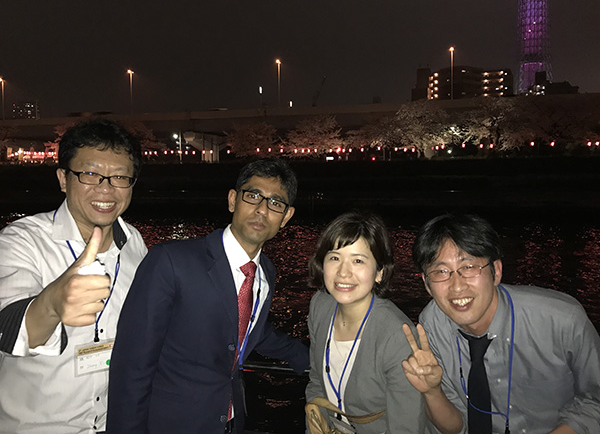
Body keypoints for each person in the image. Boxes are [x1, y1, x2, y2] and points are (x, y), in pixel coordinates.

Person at [107, 158, 309, 434]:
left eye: (275, 203)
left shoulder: (265, 272)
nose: (262, 209)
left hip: (230, 421)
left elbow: (247, 326)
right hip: (171, 424)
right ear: (232, 200)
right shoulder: (171, 261)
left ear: (286, 217)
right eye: (253, 196)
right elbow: (132, 364)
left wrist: (313, 359)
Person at [0, 118, 147, 433]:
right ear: (63, 179)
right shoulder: (21, 240)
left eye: (120, 177)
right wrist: (52, 304)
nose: (106, 188)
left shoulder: (135, 243)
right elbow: (7, 327)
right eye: (90, 174)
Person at [402, 213, 600, 434]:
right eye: (441, 271)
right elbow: (456, 427)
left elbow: (595, 402)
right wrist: (431, 391)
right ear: (426, 284)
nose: (457, 286)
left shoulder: (561, 320)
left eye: (469, 267)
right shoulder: (432, 326)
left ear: (496, 271)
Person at [305, 211, 426, 434]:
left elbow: (406, 426)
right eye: (335, 258)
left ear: (379, 272)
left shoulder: (396, 336)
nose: (343, 272)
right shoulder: (320, 307)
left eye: (358, 261)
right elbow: (316, 382)